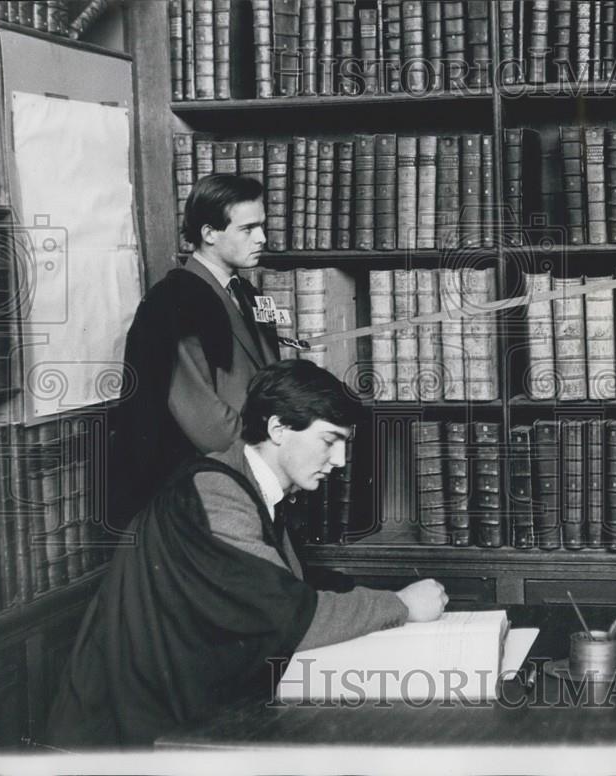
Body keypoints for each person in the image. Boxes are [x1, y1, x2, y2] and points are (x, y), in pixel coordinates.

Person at [45, 360, 448, 748]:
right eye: (330, 441)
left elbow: (289, 585)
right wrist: (400, 605)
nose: (340, 462)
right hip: (124, 739)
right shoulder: (215, 492)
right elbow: (290, 616)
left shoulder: (250, 486)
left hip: (175, 713)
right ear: (277, 428)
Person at [111, 174, 278, 525]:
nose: (262, 238)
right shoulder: (173, 303)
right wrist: (270, 452)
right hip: (203, 484)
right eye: (248, 229)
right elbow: (206, 422)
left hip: (247, 465)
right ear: (208, 233)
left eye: (262, 226)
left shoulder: (246, 295)